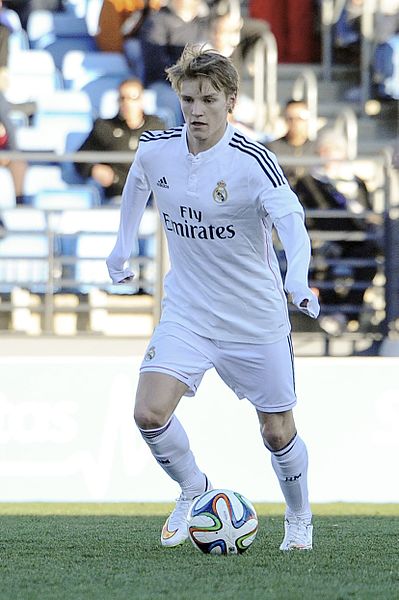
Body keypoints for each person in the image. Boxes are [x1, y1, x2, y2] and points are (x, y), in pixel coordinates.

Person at [106, 44, 320, 551]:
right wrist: (121, 248)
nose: (196, 111)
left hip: (254, 319)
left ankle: (299, 516)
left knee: (276, 432)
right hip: (189, 311)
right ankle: (193, 488)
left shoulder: (253, 160)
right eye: (187, 100)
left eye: (207, 99)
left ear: (231, 101)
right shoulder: (158, 148)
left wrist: (299, 278)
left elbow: (292, 221)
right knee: (148, 413)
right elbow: (138, 183)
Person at [294, 128, 381, 334]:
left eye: (335, 151)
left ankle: (347, 315)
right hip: (323, 239)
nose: (330, 156)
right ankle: (329, 313)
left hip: (356, 240)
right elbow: (315, 214)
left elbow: (367, 211)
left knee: (369, 259)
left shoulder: (355, 182)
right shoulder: (308, 181)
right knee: (323, 260)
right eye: (325, 150)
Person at [74, 78, 166, 203]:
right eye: (122, 98)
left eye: (132, 98)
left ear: (141, 101)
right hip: (117, 196)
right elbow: (79, 158)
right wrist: (94, 169)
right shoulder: (104, 127)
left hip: (151, 198)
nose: (127, 103)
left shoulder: (157, 127)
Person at [265, 99, 317, 189]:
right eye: (290, 118)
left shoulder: (317, 148)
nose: (295, 123)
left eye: (300, 118)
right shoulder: (272, 148)